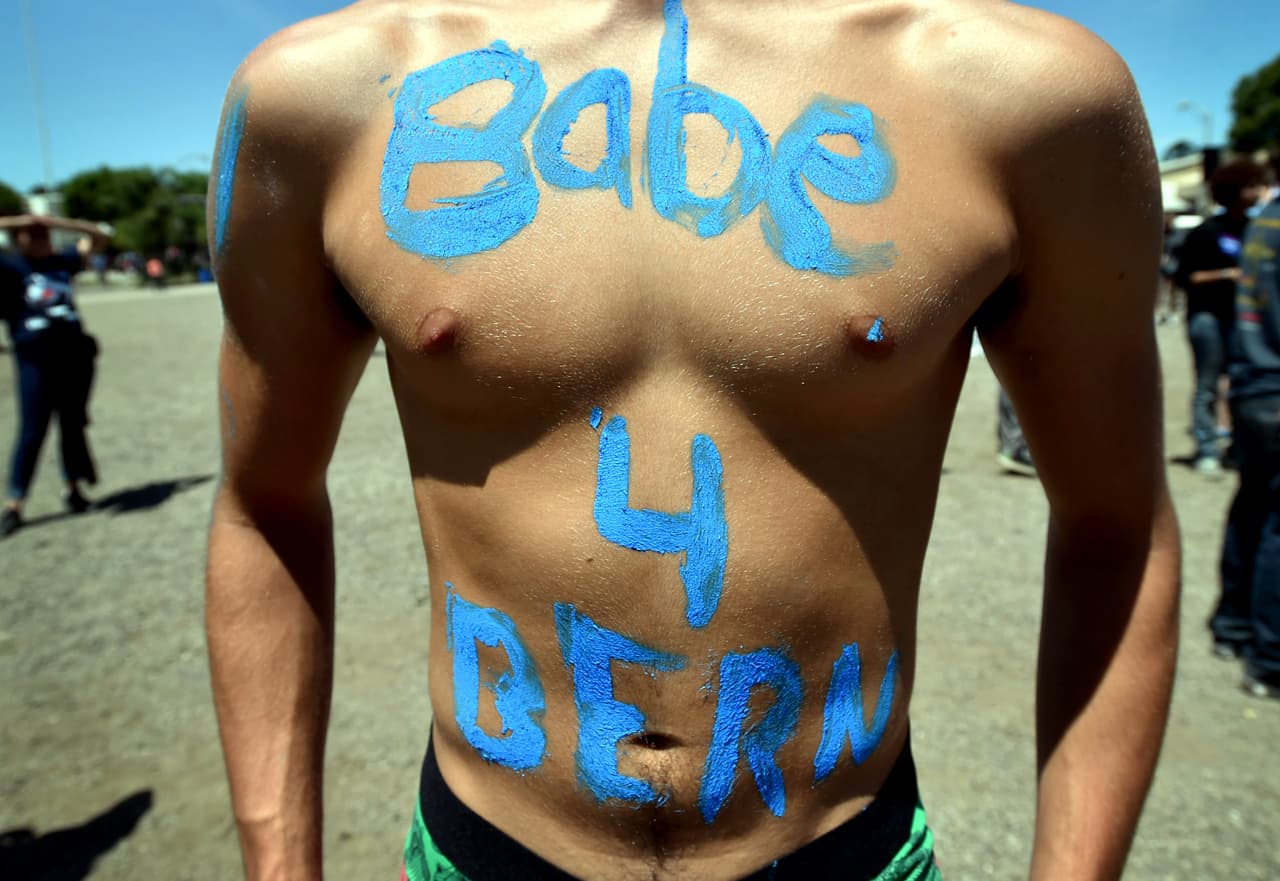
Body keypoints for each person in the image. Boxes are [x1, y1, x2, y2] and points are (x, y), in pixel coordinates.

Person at [205, 3, 1181, 880]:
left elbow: (1115, 523)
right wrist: (279, 861)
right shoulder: (326, 94)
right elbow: (264, 504)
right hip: (488, 843)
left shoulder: (1016, 91)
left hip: (839, 842)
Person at [1212, 175, 1280, 698]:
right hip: (1273, 381)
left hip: (1254, 380)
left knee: (1254, 503)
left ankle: (1233, 624)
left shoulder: (1264, 219)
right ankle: (1269, 655)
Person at [0, 215, 104, 537]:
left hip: (72, 357)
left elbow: (98, 236)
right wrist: (22, 220)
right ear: (18, 238)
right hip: (34, 359)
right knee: (33, 429)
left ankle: (72, 488)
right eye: (31, 235)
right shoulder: (11, 267)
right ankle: (14, 502)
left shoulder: (63, 262)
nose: (39, 240)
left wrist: (57, 221)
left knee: (72, 425)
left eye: (44, 235)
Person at [1174, 160, 1268, 476]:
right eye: (1251, 186)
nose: (1257, 192)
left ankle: (1236, 447)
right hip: (1207, 318)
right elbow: (1187, 277)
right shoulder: (1206, 232)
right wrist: (1229, 274)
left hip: (1242, 319)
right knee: (1208, 384)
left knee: (1240, 384)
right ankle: (1206, 448)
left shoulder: (1255, 231)